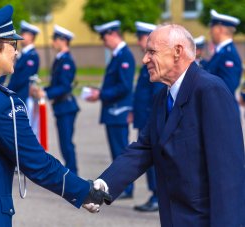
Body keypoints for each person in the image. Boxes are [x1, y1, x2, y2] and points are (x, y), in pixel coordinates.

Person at [0, 5, 111, 226]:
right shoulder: (2, 103)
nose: (16, 52)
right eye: (12, 45)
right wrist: (85, 192)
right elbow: (36, 162)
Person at [84, 24, 245, 226]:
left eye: (151, 52)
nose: (144, 60)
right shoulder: (163, 96)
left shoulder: (210, 90)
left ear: (177, 51)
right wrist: (104, 185)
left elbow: (228, 174)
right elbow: (144, 148)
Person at [86, 20, 135, 199]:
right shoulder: (117, 55)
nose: (103, 41)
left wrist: (101, 94)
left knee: (121, 153)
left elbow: (124, 86)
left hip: (118, 111)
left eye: (104, 37)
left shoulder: (124, 56)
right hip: (113, 111)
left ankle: (127, 189)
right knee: (116, 153)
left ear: (113, 34)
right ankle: (122, 187)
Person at [31, 25, 80, 175]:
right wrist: (44, 90)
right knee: (64, 144)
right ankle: (71, 173)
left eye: (55, 39)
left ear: (63, 41)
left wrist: (45, 94)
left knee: (67, 144)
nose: (53, 42)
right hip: (61, 106)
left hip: (66, 106)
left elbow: (64, 86)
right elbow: (55, 85)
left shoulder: (66, 61)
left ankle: (73, 174)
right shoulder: (60, 59)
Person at [131, 21, 164, 212]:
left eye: (141, 37)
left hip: (151, 119)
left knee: (153, 160)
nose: (139, 41)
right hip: (145, 118)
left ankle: (157, 195)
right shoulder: (147, 62)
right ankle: (154, 194)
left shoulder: (156, 63)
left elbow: (156, 95)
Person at [203, 9, 242, 101]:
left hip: (222, 111)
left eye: (212, 29)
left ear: (219, 29)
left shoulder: (229, 55)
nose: (210, 32)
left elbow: (228, 87)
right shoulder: (221, 52)